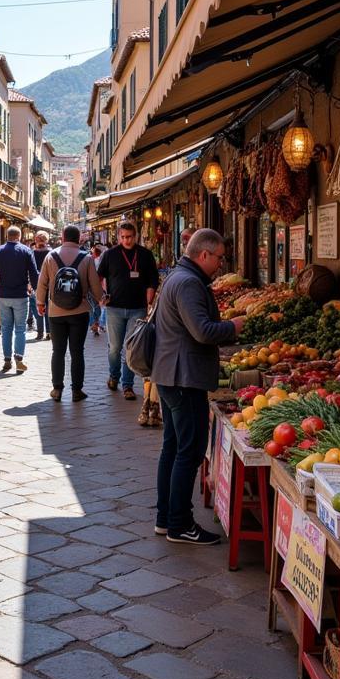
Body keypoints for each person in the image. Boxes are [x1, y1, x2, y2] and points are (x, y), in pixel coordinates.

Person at [153, 228, 245, 544]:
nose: (221, 263)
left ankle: (165, 518)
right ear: (203, 254)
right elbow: (203, 331)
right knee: (189, 451)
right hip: (184, 377)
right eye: (219, 257)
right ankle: (179, 523)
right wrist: (233, 326)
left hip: (170, 373)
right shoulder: (189, 283)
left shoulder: (177, 277)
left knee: (173, 448)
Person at [36, 224, 103, 402]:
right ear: (78, 238)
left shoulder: (51, 256)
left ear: (63, 238)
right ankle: (77, 390)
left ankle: (57, 389)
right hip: (79, 311)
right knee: (77, 352)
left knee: (58, 351)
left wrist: (40, 303)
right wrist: (102, 299)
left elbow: (42, 282)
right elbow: (95, 285)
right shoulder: (86, 257)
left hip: (55, 311)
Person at [98, 219, 160, 400]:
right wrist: (103, 293)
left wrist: (148, 302)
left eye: (130, 237)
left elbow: (152, 280)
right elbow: (99, 276)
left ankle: (127, 385)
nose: (127, 241)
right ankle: (113, 376)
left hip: (137, 308)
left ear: (136, 236)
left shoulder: (145, 255)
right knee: (114, 348)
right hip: (114, 308)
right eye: (123, 237)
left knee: (131, 348)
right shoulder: (110, 255)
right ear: (118, 237)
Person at [0, 225, 38, 373]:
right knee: (20, 329)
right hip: (21, 295)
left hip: (3, 295)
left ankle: (7, 359)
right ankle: (19, 358)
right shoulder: (26, 251)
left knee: (6, 329)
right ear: (19, 236)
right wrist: (36, 290)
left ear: (7, 237)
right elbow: (34, 273)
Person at [29, 231, 51, 340]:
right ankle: (49, 332)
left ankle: (40, 333)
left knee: (38, 308)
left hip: (36, 283)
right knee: (48, 307)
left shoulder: (32, 253)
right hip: (49, 283)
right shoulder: (51, 253)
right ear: (46, 240)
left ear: (36, 240)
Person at [88, 243, 106, 337]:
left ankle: (94, 324)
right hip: (97, 287)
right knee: (97, 306)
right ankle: (95, 324)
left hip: (92, 287)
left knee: (93, 306)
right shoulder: (92, 260)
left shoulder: (90, 260)